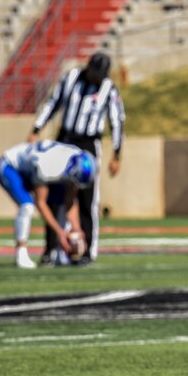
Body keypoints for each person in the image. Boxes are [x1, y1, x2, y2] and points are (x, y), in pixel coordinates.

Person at [29, 51, 124, 265]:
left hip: (88, 144)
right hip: (65, 139)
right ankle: (51, 249)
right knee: (55, 195)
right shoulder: (71, 79)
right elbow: (52, 104)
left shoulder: (109, 89)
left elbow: (117, 121)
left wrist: (117, 154)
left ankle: (88, 250)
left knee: (87, 198)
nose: (97, 78)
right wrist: (36, 128)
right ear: (88, 67)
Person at [0, 141, 95, 269]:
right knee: (27, 205)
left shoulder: (75, 156)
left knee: (61, 200)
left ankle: (60, 252)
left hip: (34, 168)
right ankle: (21, 252)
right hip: (10, 166)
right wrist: (60, 233)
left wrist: (77, 229)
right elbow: (41, 203)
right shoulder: (47, 166)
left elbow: (70, 200)